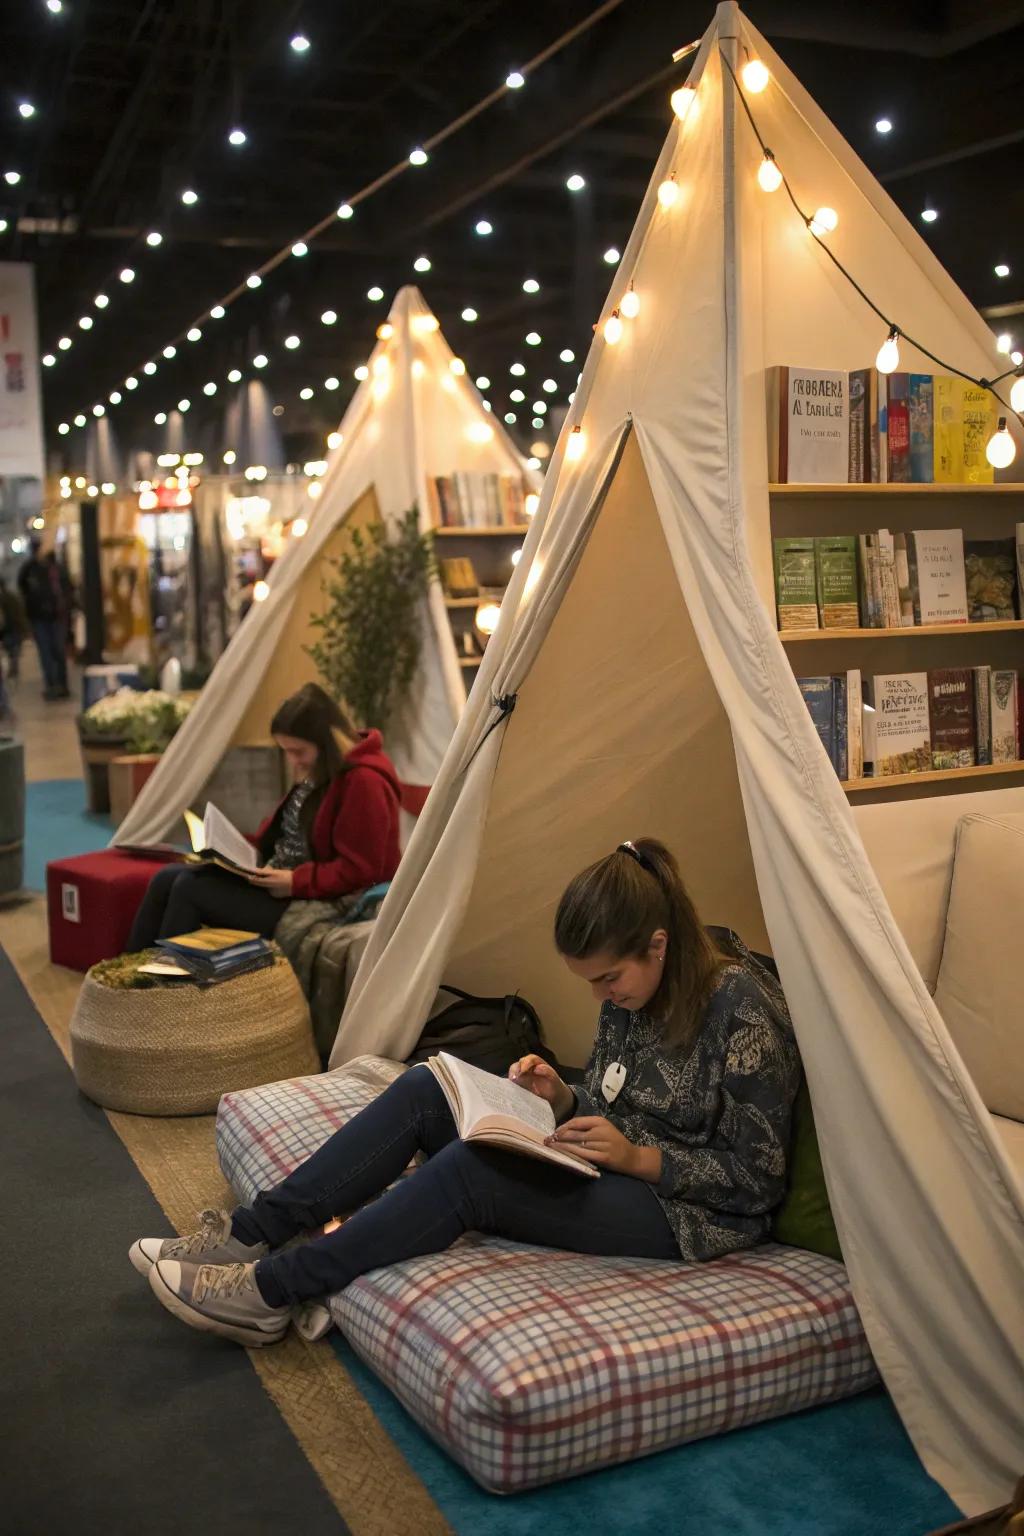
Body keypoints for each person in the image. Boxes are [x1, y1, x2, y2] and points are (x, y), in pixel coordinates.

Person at [130, 837, 802, 1348]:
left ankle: (271, 1293)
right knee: (426, 1086)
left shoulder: (740, 1012)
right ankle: (251, 1234)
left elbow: (758, 1180)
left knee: (471, 1174)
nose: (601, 997)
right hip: (610, 1159)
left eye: (607, 979)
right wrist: (563, 1099)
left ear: (658, 946)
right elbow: (608, 1094)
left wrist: (638, 1160)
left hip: (689, 1214)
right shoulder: (633, 990)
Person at [126, 683, 401, 951]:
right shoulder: (322, 770)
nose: (293, 761)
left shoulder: (363, 781)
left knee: (189, 888)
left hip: (313, 896)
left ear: (327, 742)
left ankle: (167, 990)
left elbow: (361, 871)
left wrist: (295, 882)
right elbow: (285, 834)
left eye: (298, 751)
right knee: (166, 877)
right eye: (287, 752)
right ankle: (130, 982)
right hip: (278, 878)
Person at [17, 538, 71, 700]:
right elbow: (23, 588)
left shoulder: (55, 568)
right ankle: (53, 685)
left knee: (56, 651)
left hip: (55, 616)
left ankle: (59, 684)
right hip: (41, 617)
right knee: (48, 652)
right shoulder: (30, 569)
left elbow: (67, 588)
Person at [0, 574, 28, 680]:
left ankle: (13, 666)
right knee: (14, 648)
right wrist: (24, 629)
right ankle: (13, 666)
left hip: (6, 630)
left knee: (9, 649)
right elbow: (20, 614)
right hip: (14, 628)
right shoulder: (13, 597)